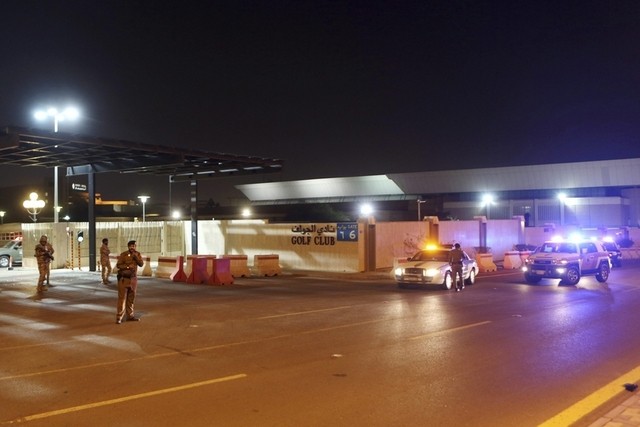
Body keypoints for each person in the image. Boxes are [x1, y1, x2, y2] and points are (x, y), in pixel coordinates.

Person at [115, 240, 144, 324]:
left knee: (131, 299)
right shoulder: (123, 254)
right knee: (122, 299)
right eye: (131, 246)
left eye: (134, 246)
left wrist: (136, 257)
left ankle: (130, 316)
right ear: (128, 247)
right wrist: (127, 267)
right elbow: (119, 265)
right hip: (124, 279)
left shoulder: (137, 254)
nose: (132, 247)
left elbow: (141, 264)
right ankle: (119, 317)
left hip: (133, 279)